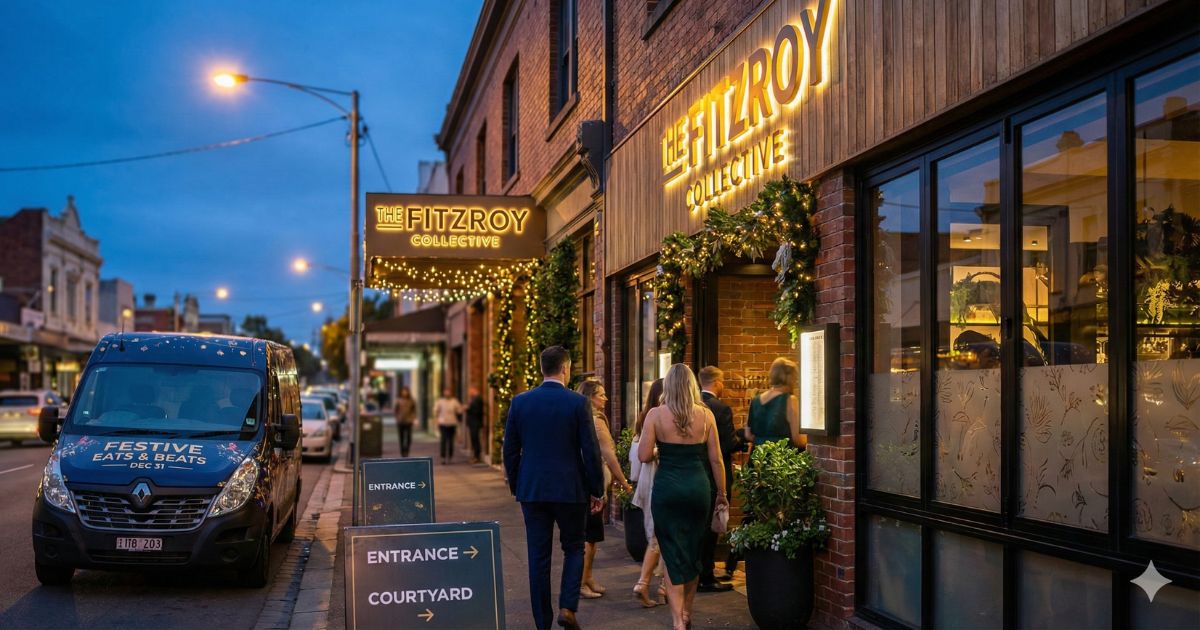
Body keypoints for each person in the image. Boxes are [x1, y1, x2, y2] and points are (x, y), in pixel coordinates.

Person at [503, 346, 605, 630]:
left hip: (532, 490)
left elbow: (510, 450)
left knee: (538, 556)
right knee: (574, 547)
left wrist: (517, 485)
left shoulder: (520, 403)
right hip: (571, 489)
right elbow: (591, 450)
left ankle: (542, 622)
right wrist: (597, 489)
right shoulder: (577, 403)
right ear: (565, 369)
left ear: (541, 369)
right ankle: (567, 608)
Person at [638, 364, 727, 630]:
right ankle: (687, 612)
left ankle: (677, 620)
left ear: (669, 386)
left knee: (672, 552)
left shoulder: (655, 415)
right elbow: (717, 460)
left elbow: (643, 456)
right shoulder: (706, 415)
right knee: (692, 552)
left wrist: (659, 449)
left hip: (667, 490)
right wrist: (721, 494)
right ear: (691, 385)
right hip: (698, 489)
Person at [575, 379, 633, 599]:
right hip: (592, 484)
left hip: (583, 482)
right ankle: (581, 583)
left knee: (591, 536)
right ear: (591, 397)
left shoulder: (579, 416)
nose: (606, 398)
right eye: (601, 394)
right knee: (589, 536)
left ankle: (587, 578)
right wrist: (625, 482)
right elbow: (609, 455)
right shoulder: (596, 421)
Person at [696, 366, 743, 592]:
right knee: (712, 526)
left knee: (698, 526)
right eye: (723, 381)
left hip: (694, 473)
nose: (724, 386)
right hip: (715, 476)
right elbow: (727, 445)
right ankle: (706, 575)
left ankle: (696, 573)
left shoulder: (692, 405)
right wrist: (743, 438)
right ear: (716, 382)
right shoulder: (720, 409)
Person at [630, 378, 666, 608]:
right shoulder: (658, 417)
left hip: (647, 480)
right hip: (656, 478)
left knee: (659, 533)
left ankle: (663, 587)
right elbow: (644, 453)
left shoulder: (645, 416)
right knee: (660, 534)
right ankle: (645, 583)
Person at [745, 357, 807, 454]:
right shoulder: (790, 400)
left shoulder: (755, 400)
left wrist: (762, 442)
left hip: (758, 458)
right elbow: (797, 439)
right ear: (790, 378)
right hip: (780, 460)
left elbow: (748, 434)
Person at [433, 388, 463, 465]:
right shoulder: (440, 401)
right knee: (443, 440)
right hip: (443, 423)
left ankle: (450, 457)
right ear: (444, 393)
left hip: (452, 423)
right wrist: (436, 421)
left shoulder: (454, 401)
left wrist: (461, 409)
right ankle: (443, 457)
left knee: (450, 441)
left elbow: (459, 410)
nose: (447, 393)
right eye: (446, 392)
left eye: (448, 392)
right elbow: (436, 411)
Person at [394, 386, 417, 458]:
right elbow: (395, 410)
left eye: (406, 391)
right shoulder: (398, 400)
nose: (405, 393)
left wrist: (413, 418)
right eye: (403, 391)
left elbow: (414, 410)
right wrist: (397, 418)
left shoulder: (412, 400)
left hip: (409, 421)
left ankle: (407, 450)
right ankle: (402, 452)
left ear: (408, 392)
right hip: (400, 421)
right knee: (401, 437)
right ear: (401, 392)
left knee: (409, 438)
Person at [465, 386, 485, 463]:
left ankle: (477, 456)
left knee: (475, 439)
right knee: (474, 439)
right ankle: (475, 456)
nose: (469, 392)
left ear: (474, 390)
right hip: (473, 422)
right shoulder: (474, 399)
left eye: (470, 390)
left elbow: (477, 411)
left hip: (475, 422)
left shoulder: (477, 399)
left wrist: (468, 408)